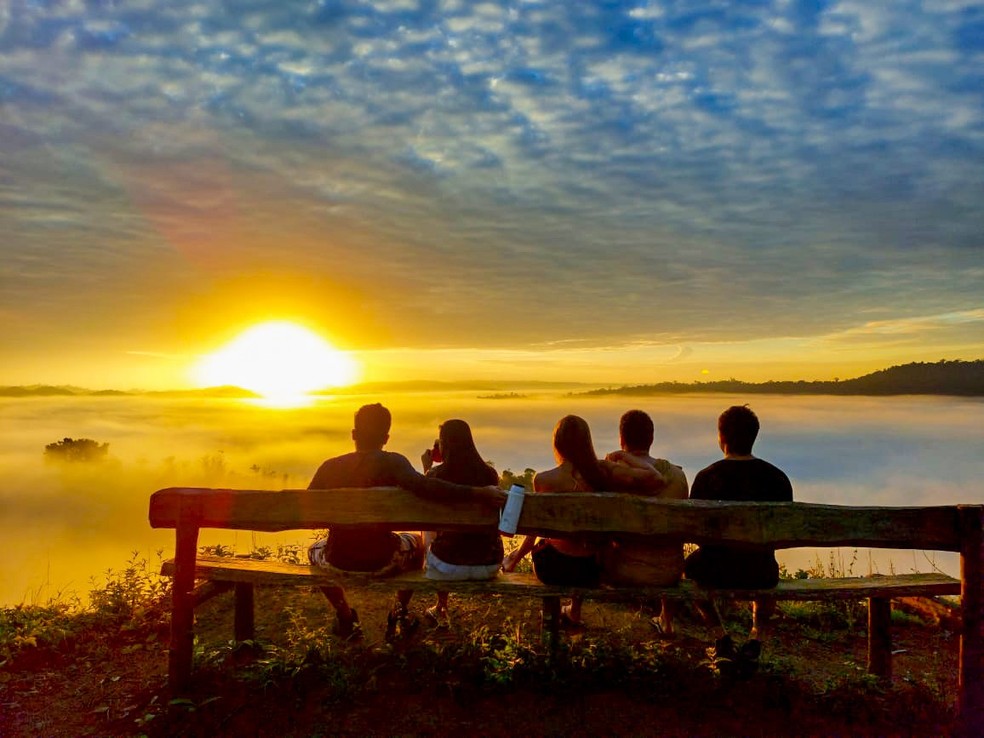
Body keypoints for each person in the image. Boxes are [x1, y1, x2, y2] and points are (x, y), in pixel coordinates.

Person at [306, 403, 505, 641]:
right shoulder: (393, 463)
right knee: (418, 544)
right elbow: (425, 486)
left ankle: (345, 615)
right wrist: (478, 493)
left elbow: (308, 511)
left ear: (354, 434)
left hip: (336, 558)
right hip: (384, 558)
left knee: (312, 551)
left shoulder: (330, 467)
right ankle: (399, 612)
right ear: (386, 438)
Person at [501, 414, 665, 627]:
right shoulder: (603, 471)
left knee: (548, 544)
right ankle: (574, 610)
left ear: (558, 444)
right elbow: (655, 478)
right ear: (587, 442)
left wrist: (514, 558)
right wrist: (623, 455)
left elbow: (535, 529)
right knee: (586, 547)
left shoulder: (544, 480)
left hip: (552, 569)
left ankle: (557, 614)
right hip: (591, 569)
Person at [684, 405, 793, 669]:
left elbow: (695, 532)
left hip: (713, 570)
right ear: (754, 436)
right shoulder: (777, 479)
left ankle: (720, 636)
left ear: (721, 438)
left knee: (688, 568)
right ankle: (756, 636)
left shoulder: (706, 478)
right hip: (760, 571)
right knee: (766, 561)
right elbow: (780, 536)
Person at [602, 409, 689, 634]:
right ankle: (667, 620)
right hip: (669, 571)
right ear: (651, 439)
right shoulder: (678, 477)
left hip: (621, 571)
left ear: (622, 440)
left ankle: (574, 609)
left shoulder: (613, 476)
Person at [419, 419, 503, 629]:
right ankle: (441, 606)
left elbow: (423, 510)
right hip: (488, 564)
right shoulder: (489, 475)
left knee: (432, 531)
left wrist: (427, 469)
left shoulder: (436, 476)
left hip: (447, 565)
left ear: (444, 445)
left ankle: (441, 606)